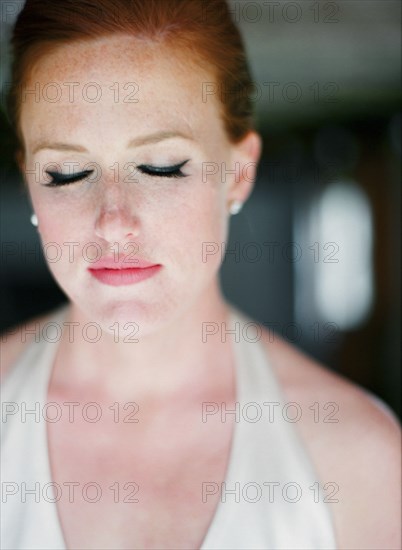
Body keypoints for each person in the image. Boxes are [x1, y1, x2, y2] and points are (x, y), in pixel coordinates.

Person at [1, 1, 400, 549]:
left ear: (238, 174)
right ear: (29, 181)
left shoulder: (358, 461)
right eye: (67, 173)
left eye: (161, 167)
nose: (114, 225)